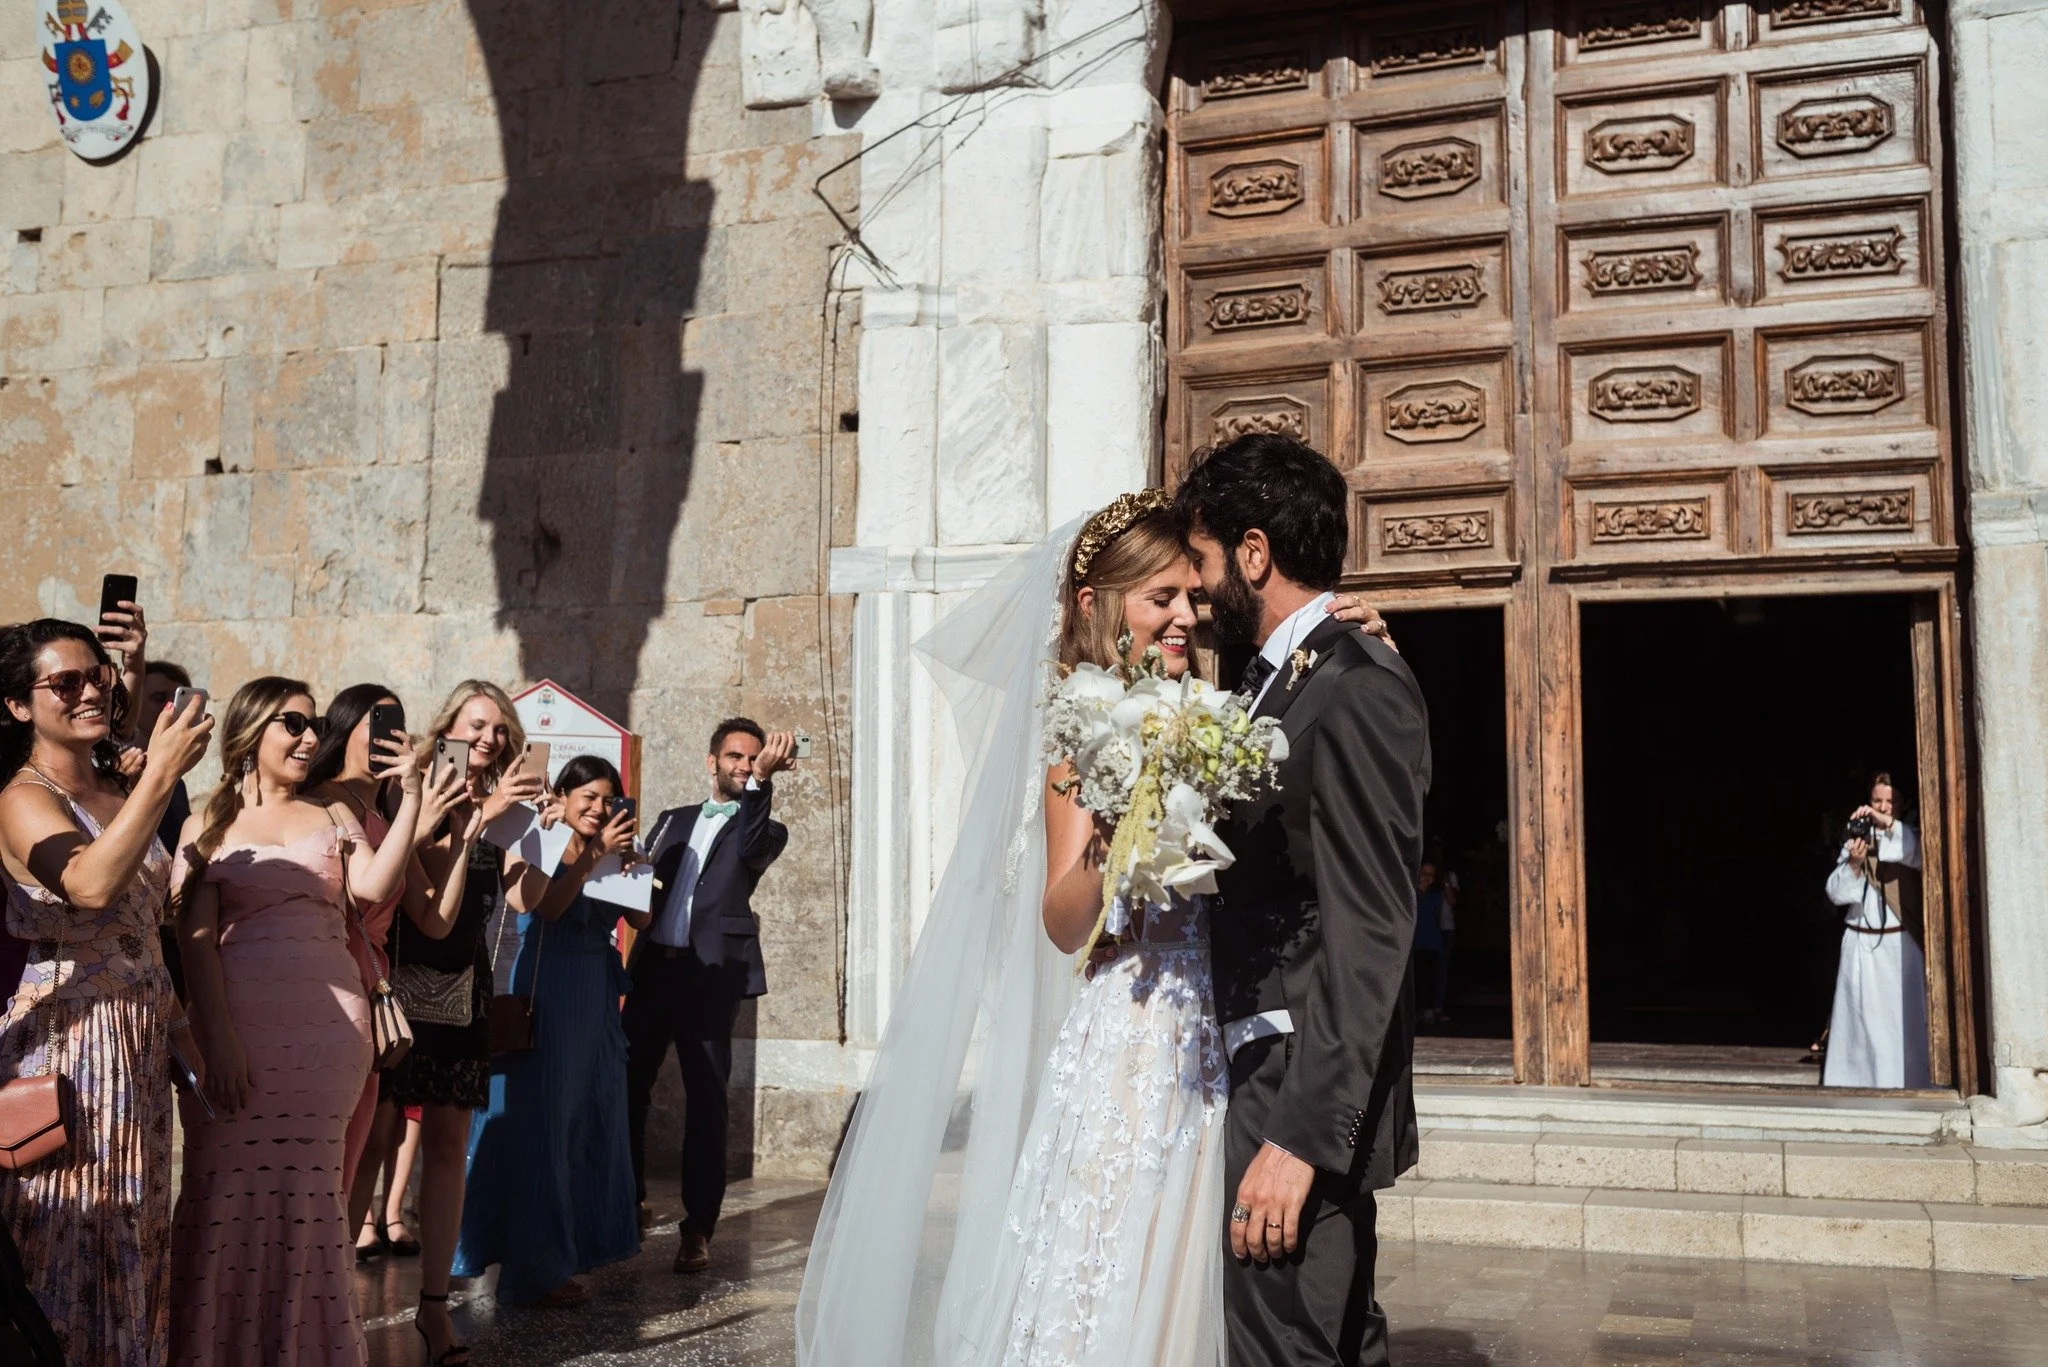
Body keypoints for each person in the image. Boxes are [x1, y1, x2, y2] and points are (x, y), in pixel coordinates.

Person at [794, 490, 1393, 1367]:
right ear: (1098, 606)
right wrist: (1120, 833)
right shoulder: (1081, 730)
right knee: (1113, 1266)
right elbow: (1063, 921)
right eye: (1164, 599)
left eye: (1192, 595)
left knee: (1195, 1274)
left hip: (1218, 1038)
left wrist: (1358, 638)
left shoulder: (1211, 702)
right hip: (1135, 1040)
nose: (1187, 615)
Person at [1175, 432, 1430, 1367]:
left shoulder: (1356, 685)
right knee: (1324, 1340)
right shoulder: (1281, 675)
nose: (1195, 587)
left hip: (1298, 1078)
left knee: (1286, 1346)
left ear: (1254, 552)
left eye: (1201, 560)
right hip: (1264, 1063)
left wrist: (1299, 1138)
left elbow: (1372, 923)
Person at [168, 675, 429, 1363]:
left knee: (312, 1200)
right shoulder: (206, 823)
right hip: (234, 1030)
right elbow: (193, 945)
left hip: (326, 1039)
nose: (311, 736)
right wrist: (216, 1039)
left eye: (315, 725)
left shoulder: (332, 814)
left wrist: (414, 800)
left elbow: (372, 888)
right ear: (253, 728)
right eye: (294, 722)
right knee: (219, 1189)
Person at [0, 619, 212, 1367]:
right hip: (72, 1046)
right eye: (66, 681)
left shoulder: (117, 781)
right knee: (73, 1244)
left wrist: (184, 1034)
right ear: (20, 704)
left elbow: (145, 925)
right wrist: (160, 775)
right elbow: (88, 884)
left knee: (134, 1239)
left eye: (100, 676)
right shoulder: (22, 797)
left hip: (140, 1038)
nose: (91, 689)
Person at [455, 755, 643, 1304]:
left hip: (598, 994)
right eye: (588, 797)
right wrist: (591, 858)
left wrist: (633, 864)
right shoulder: (545, 839)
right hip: (551, 987)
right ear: (561, 796)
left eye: (609, 800)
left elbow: (643, 922)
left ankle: (575, 1251)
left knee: (590, 1120)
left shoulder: (615, 849)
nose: (599, 809)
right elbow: (551, 910)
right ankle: (534, 1268)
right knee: (546, 1125)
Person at [398, 681, 549, 1366]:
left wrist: (550, 829)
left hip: (466, 988)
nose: (489, 738)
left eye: (499, 729)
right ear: (450, 724)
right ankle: (331, 1296)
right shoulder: (423, 781)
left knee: (448, 1142)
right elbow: (422, 857)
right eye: (477, 725)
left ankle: (435, 1307)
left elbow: (527, 896)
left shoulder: (505, 809)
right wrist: (488, 809)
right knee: (372, 1140)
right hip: (398, 983)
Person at [303, 683, 466, 1259]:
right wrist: (415, 810)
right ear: (342, 730)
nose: (384, 738)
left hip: (371, 992)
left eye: (394, 726)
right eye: (373, 725)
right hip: (324, 989)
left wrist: (464, 832)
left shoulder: (383, 811)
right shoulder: (322, 801)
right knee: (329, 1149)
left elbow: (435, 917)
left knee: (360, 1146)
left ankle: (333, 1290)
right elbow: (365, 887)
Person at [627, 718, 794, 1274]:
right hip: (654, 972)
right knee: (627, 1088)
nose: (743, 765)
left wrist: (761, 787)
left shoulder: (765, 828)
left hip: (709, 981)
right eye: (734, 757)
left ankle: (698, 1227)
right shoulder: (671, 820)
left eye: (751, 758)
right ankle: (627, 1202)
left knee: (706, 1102)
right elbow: (641, 880)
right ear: (711, 761)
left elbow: (748, 845)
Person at [1821, 773, 1929, 1089]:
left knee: (1900, 1024)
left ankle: (1906, 1085)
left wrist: (1886, 823)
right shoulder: (1857, 839)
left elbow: (1920, 853)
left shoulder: (1910, 835)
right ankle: (1858, 1084)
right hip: (1860, 945)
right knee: (1861, 1022)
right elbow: (1837, 893)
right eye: (1877, 800)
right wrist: (1854, 863)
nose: (1883, 806)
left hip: (1900, 946)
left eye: (1890, 801)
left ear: (1903, 804)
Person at [1414, 862, 1447, 1027]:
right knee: (1417, 978)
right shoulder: (1410, 893)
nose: (1426, 878)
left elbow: (1437, 912)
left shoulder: (1435, 894)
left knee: (1431, 977)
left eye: (1430, 875)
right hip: (1415, 943)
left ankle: (1429, 1011)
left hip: (1431, 941)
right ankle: (1418, 1011)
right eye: (1424, 874)